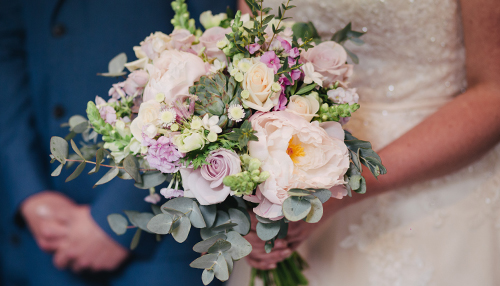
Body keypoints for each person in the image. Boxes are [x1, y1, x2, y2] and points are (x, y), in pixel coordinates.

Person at [229, 0, 500, 285]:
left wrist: (342, 190)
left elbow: (493, 94)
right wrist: (256, 201)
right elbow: (252, 59)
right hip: (296, 168)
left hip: (433, 169)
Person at [0, 0, 235, 285]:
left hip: (162, 240)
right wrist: (28, 190)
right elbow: (7, 50)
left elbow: (224, 58)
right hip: (42, 236)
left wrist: (122, 215)